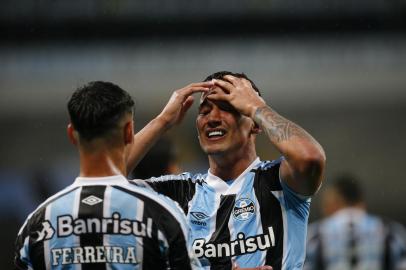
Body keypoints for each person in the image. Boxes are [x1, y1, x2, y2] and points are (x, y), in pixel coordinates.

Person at [126, 71, 326, 269]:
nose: (212, 118)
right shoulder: (176, 193)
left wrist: (257, 106)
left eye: (227, 108)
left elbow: (310, 157)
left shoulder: (279, 181)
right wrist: (162, 121)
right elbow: (103, 182)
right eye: (204, 111)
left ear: (255, 124)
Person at [14, 81, 204, 270]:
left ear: (72, 134)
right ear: (129, 132)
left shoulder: (36, 225)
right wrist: (162, 121)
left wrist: (162, 121)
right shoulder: (163, 215)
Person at [304, 174, 406, 270]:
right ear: (361, 201)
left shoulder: (314, 234)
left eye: (325, 204)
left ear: (334, 201)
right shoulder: (391, 232)